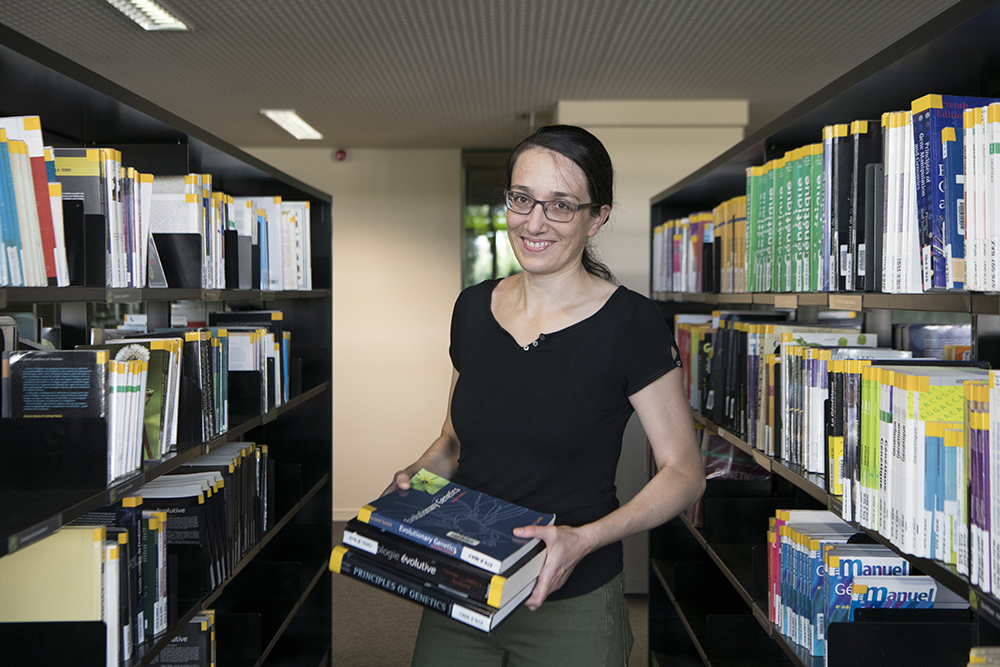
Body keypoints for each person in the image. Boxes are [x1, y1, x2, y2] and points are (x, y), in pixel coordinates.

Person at [386, 124, 705, 667]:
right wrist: (418, 475)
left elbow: (684, 473)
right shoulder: (472, 309)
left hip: (572, 600)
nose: (534, 223)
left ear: (597, 217)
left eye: (560, 205)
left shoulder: (631, 323)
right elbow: (453, 441)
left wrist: (585, 539)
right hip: (464, 581)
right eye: (522, 199)